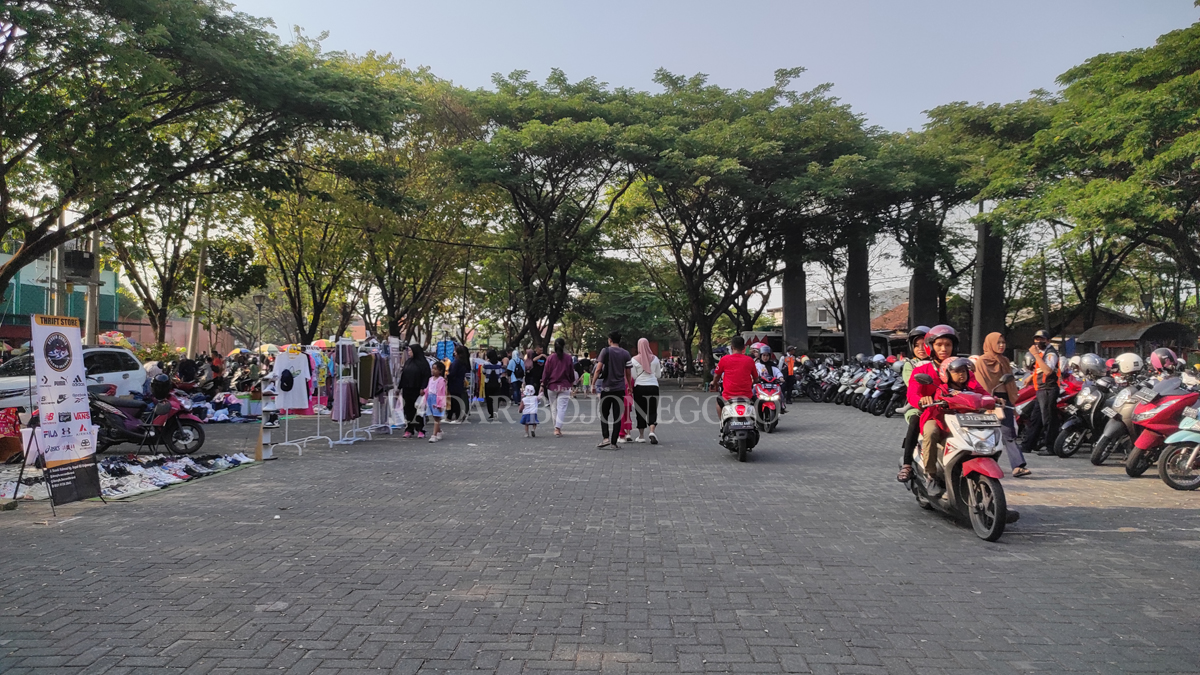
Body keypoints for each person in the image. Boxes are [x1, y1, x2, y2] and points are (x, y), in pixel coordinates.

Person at [906, 325, 960, 497]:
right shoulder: (922, 370)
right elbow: (912, 393)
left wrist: (991, 398)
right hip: (934, 415)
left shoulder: (961, 367)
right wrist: (922, 400)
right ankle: (931, 476)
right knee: (930, 432)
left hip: (960, 416)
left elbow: (976, 387)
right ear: (931, 347)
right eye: (939, 345)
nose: (944, 349)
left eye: (948, 345)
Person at [975, 332, 1030, 477]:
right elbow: (981, 384)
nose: (1001, 345)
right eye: (998, 342)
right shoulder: (982, 361)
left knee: (1008, 433)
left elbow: (1010, 383)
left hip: (1005, 400)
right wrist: (989, 400)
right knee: (986, 434)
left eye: (1003, 342)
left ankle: (1018, 466)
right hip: (987, 399)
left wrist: (1012, 402)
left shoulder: (1005, 360)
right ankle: (983, 465)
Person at [1020, 329, 1060, 457]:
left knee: (1048, 419)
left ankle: (1050, 447)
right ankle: (1027, 445)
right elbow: (1040, 369)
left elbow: (1048, 371)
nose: (1038, 342)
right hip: (1041, 389)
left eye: (1041, 339)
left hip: (1048, 389)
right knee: (1035, 418)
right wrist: (1031, 377)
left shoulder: (1050, 354)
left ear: (1048, 341)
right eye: (1036, 339)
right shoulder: (1042, 353)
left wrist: (1035, 355)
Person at [593, 331, 632, 449]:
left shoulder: (605, 351)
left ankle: (606, 438)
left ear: (610, 339)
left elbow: (598, 369)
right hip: (620, 388)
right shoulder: (625, 353)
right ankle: (614, 442)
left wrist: (593, 383)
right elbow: (628, 372)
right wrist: (629, 386)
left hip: (606, 387)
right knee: (617, 416)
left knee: (604, 414)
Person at [712, 335, 759, 417]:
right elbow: (756, 378)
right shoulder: (750, 360)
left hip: (728, 395)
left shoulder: (724, 359)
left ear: (732, 347)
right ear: (744, 347)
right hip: (747, 395)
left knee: (718, 401)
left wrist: (714, 383)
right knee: (756, 402)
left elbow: (716, 376)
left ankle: (722, 423)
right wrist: (753, 382)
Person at [540, 338, 577, 437]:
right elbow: (571, 372)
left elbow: (546, 373)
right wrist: (572, 382)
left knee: (553, 408)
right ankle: (557, 428)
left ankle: (555, 427)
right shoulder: (568, 358)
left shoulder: (550, 358)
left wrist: (542, 384)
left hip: (552, 386)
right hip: (564, 386)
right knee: (562, 408)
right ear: (564, 346)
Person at [630, 337, 662, 444]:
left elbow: (633, 376)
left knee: (640, 411)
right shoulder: (655, 359)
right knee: (652, 409)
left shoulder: (634, 360)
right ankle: (652, 431)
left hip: (639, 387)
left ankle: (641, 435)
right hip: (653, 386)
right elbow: (658, 375)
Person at [399, 344, 431, 439]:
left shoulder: (423, 363)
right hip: (407, 389)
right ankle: (409, 429)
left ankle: (420, 429)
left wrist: (423, 387)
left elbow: (426, 376)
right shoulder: (408, 362)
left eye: (410, 351)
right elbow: (403, 375)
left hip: (418, 390)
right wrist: (399, 387)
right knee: (408, 409)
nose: (409, 353)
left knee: (419, 410)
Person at [447, 345, 470, 424]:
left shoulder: (456, 362)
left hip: (454, 383)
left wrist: (447, 376)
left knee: (455, 401)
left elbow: (453, 373)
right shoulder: (463, 362)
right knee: (456, 400)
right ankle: (454, 417)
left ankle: (458, 418)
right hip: (459, 383)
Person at [481, 349, 507, 419]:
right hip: (497, 382)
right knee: (496, 398)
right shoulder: (499, 363)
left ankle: (491, 413)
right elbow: (500, 372)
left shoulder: (486, 364)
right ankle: (495, 411)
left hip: (488, 382)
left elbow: (483, 372)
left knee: (489, 399)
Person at [426, 361, 447, 442]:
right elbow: (428, 389)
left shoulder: (441, 380)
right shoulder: (430, 379)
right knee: (435, 416)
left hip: (437, 399)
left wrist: (440, 403)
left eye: (435, 369)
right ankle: (439, 431)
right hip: (430, 398)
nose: (433, 370)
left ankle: (434, 435)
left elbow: (441, 392)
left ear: (440, 371)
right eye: (433, 369)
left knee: (437, 418)